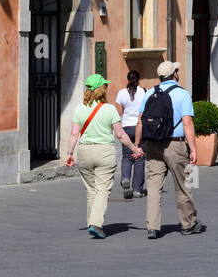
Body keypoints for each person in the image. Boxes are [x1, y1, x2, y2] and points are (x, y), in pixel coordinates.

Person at [64, 73, 143, 238]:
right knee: (102, 190)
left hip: (84, 151)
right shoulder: (109, 109)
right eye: (105, 86)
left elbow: (73, 134)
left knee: (91, 190)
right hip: (104, 152)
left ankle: (91, 221)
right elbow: (120, 135)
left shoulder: (79, 108)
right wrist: (135, 149)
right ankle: (96, 223)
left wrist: (70, 153)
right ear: (102, 89)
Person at [135, 60, 205, 239]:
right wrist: (193, 149)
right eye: (177, 70)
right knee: (183, 185)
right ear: (174, 74)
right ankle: (188, 224)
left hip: (152, 144)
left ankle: (152, 227)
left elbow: (140, 121)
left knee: (153, 186)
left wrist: (137, 145)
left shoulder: (150, 92)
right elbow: (188, 122)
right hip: (175, 144)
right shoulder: (182, 94)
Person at [114, 69, 149, 199]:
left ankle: (125, 178)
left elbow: (119, 111)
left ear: (128, 79)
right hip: (140, 127)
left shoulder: (121, 93)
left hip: (126, 127)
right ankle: (137, 189)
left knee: (127, 156)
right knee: (139, 157)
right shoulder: (145, 92)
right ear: (139, 79)